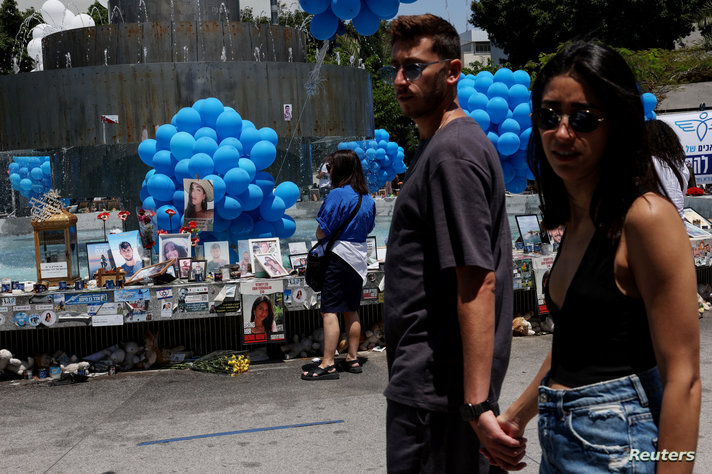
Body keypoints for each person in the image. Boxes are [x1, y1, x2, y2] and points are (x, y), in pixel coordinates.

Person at [489, 42, 700, 473]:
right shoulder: (580, 219)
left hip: (618, 443)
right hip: (562, 437)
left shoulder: (647, 218)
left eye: (583, 118)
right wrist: (516, 416)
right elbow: (577, 342)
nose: (562, 132)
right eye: (549, 116)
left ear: (616, 126)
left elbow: (684, 379)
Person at [380, 14, 516, 472]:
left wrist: (476, 404)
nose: (400, 79)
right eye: (394, 68)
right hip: (430, 388)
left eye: (414, 67)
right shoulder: (439, 146)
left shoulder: (452, 153)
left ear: (453, 71)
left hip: (436, 393)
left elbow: (476, 280)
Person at [301, 149, 375, 381]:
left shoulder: (337, 195)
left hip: (338, 258)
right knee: (351, 310)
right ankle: (352, 358)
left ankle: (328, 363)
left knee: (330, 310)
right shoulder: (368, 198)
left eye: (331, 166)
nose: (328, 170)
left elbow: (322, 231)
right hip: (358, 259)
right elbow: (369, 229)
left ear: (340, 169)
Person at [646, 119, 690, 218]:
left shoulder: (652, 162)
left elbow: (672, 197)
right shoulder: (679, 165)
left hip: (658, 223)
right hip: (676, 223)